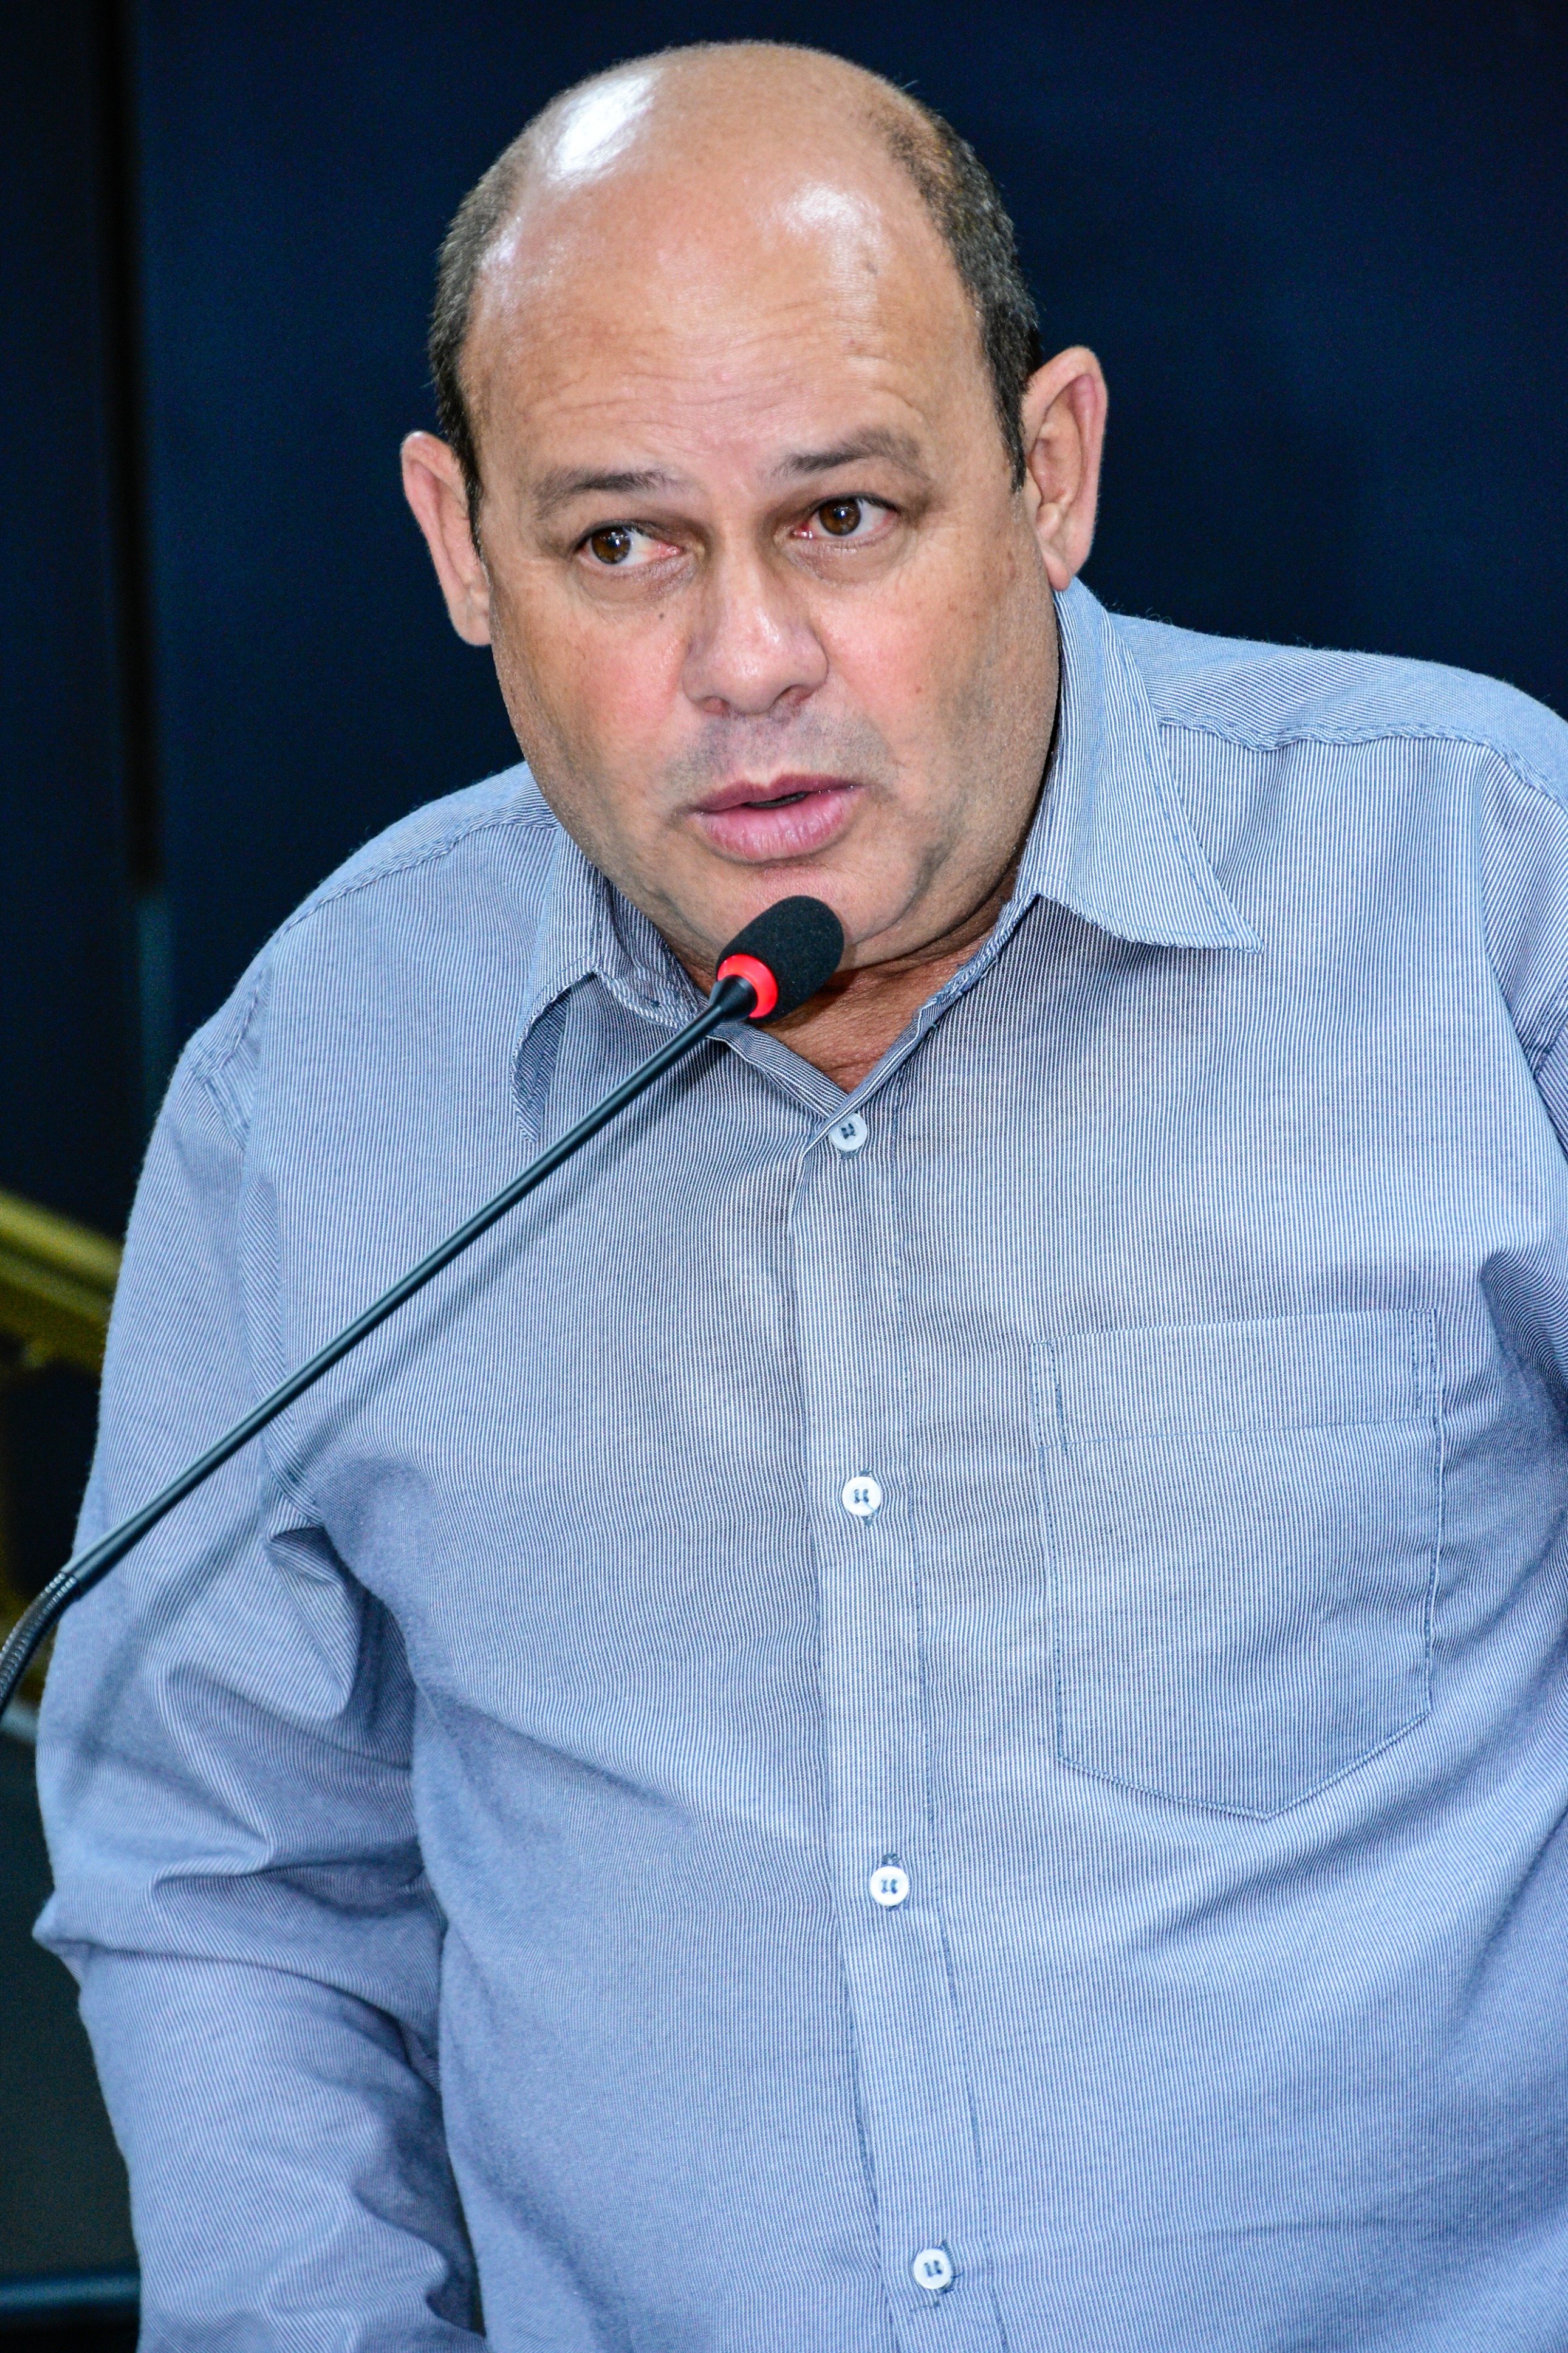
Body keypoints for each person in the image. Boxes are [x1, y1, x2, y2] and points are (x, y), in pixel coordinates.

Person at [35, 37, 1568, 2353]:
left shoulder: (1487, 899)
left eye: (842, 517)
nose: (744, 662)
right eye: (621, 544)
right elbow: (225, 1879)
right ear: (459, 547)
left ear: (1049, 471)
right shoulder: (315, 1080)